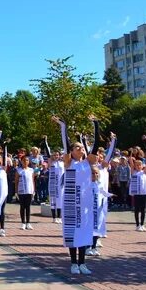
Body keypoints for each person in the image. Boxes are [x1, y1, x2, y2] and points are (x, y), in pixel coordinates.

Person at [54, 115, 98, 275]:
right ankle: (73, 263)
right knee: (73, 231)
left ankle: (83, 263)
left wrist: (95, 124)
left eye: (82, 147)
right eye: (77, 147)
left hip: (85, 203)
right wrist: (62, 126)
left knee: (85, 232)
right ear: (71, 151)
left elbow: (96, 145)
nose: (81, 149)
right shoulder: (68, 162)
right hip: (71, 202)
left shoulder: (88, 162)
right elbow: (65, 145)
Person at [15, 155, 35, 230]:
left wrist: (34, 190)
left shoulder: (31, 170)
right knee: (22, 207)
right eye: (24, 160)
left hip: (29, 191)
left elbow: (32, 180)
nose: (25, 162)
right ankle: (23, 223)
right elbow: (16, 181)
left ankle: (28, 223)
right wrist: (16, 191)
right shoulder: (19, 170)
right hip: (21, 191)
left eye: (27, 160)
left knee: (28, 207)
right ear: (21, 161)